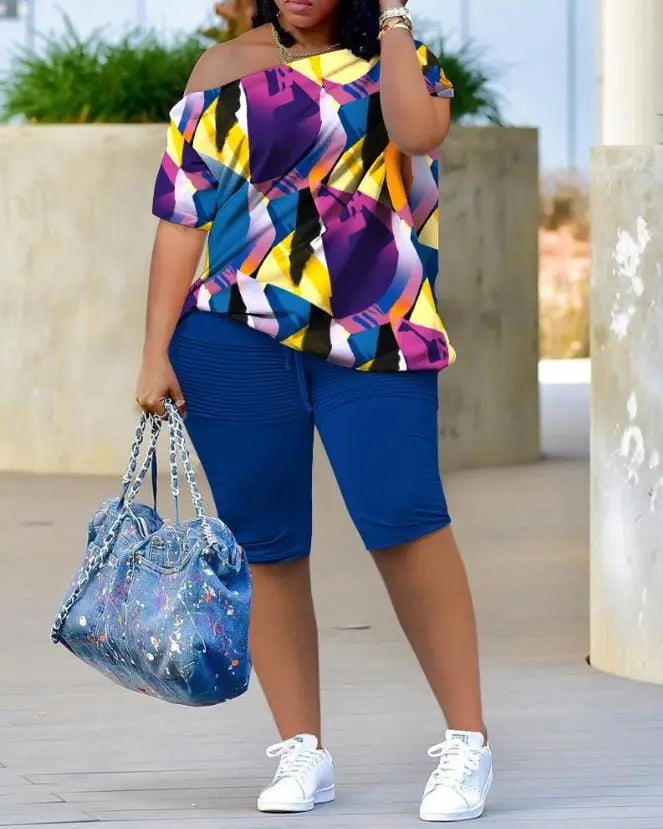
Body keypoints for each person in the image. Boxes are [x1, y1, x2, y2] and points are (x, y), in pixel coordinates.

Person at [137, 0, 493, 821]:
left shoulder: (402, 59)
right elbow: (180, 218)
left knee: (405, 518)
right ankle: (302, 748)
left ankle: (467, 743)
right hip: (231, 333)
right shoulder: (222, 68)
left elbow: (418, 136)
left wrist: (396, 21)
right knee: (265, 540)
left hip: (379, 329)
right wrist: (154, 347)